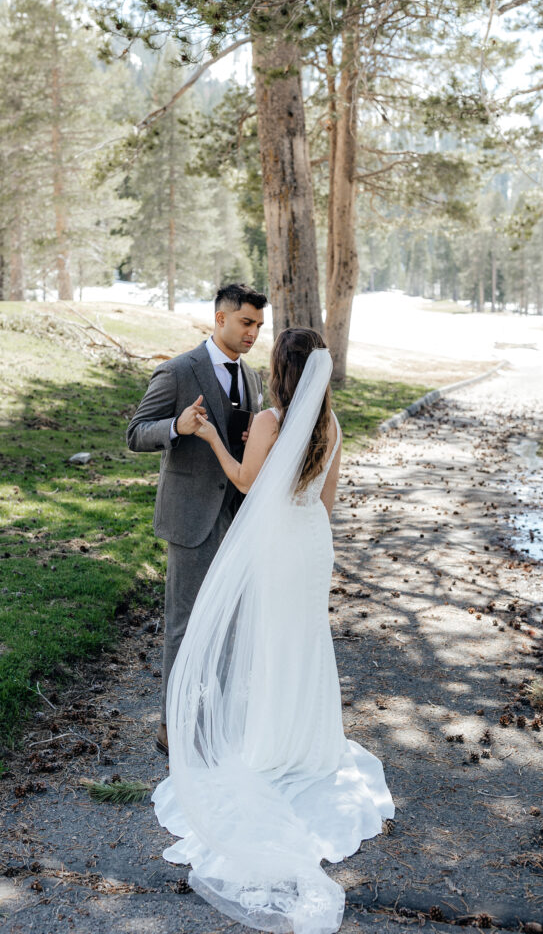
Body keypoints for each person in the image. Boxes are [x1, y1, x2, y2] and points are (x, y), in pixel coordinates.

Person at [151, 327, 396, 934]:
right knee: (305, 643)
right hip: (313, 541)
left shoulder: (269, 420)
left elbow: (244, 483)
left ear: (282, 371)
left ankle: (267, 744)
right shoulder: (331, 428)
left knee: (270, 645)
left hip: (278, 545)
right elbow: (327, 502)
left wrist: (207, 433)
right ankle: (308, 742)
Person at [125, 283, 267, 756]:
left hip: (234, 519)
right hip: (190, 519)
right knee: (184, 626)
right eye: (246, 323)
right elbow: (134, 433)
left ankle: (211, 716)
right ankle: (172, 725)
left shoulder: (250, 378)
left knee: (225, 623)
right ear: (220, 319)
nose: (252, 334)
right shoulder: (179, 370)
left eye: (259, 326)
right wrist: (176, 427)